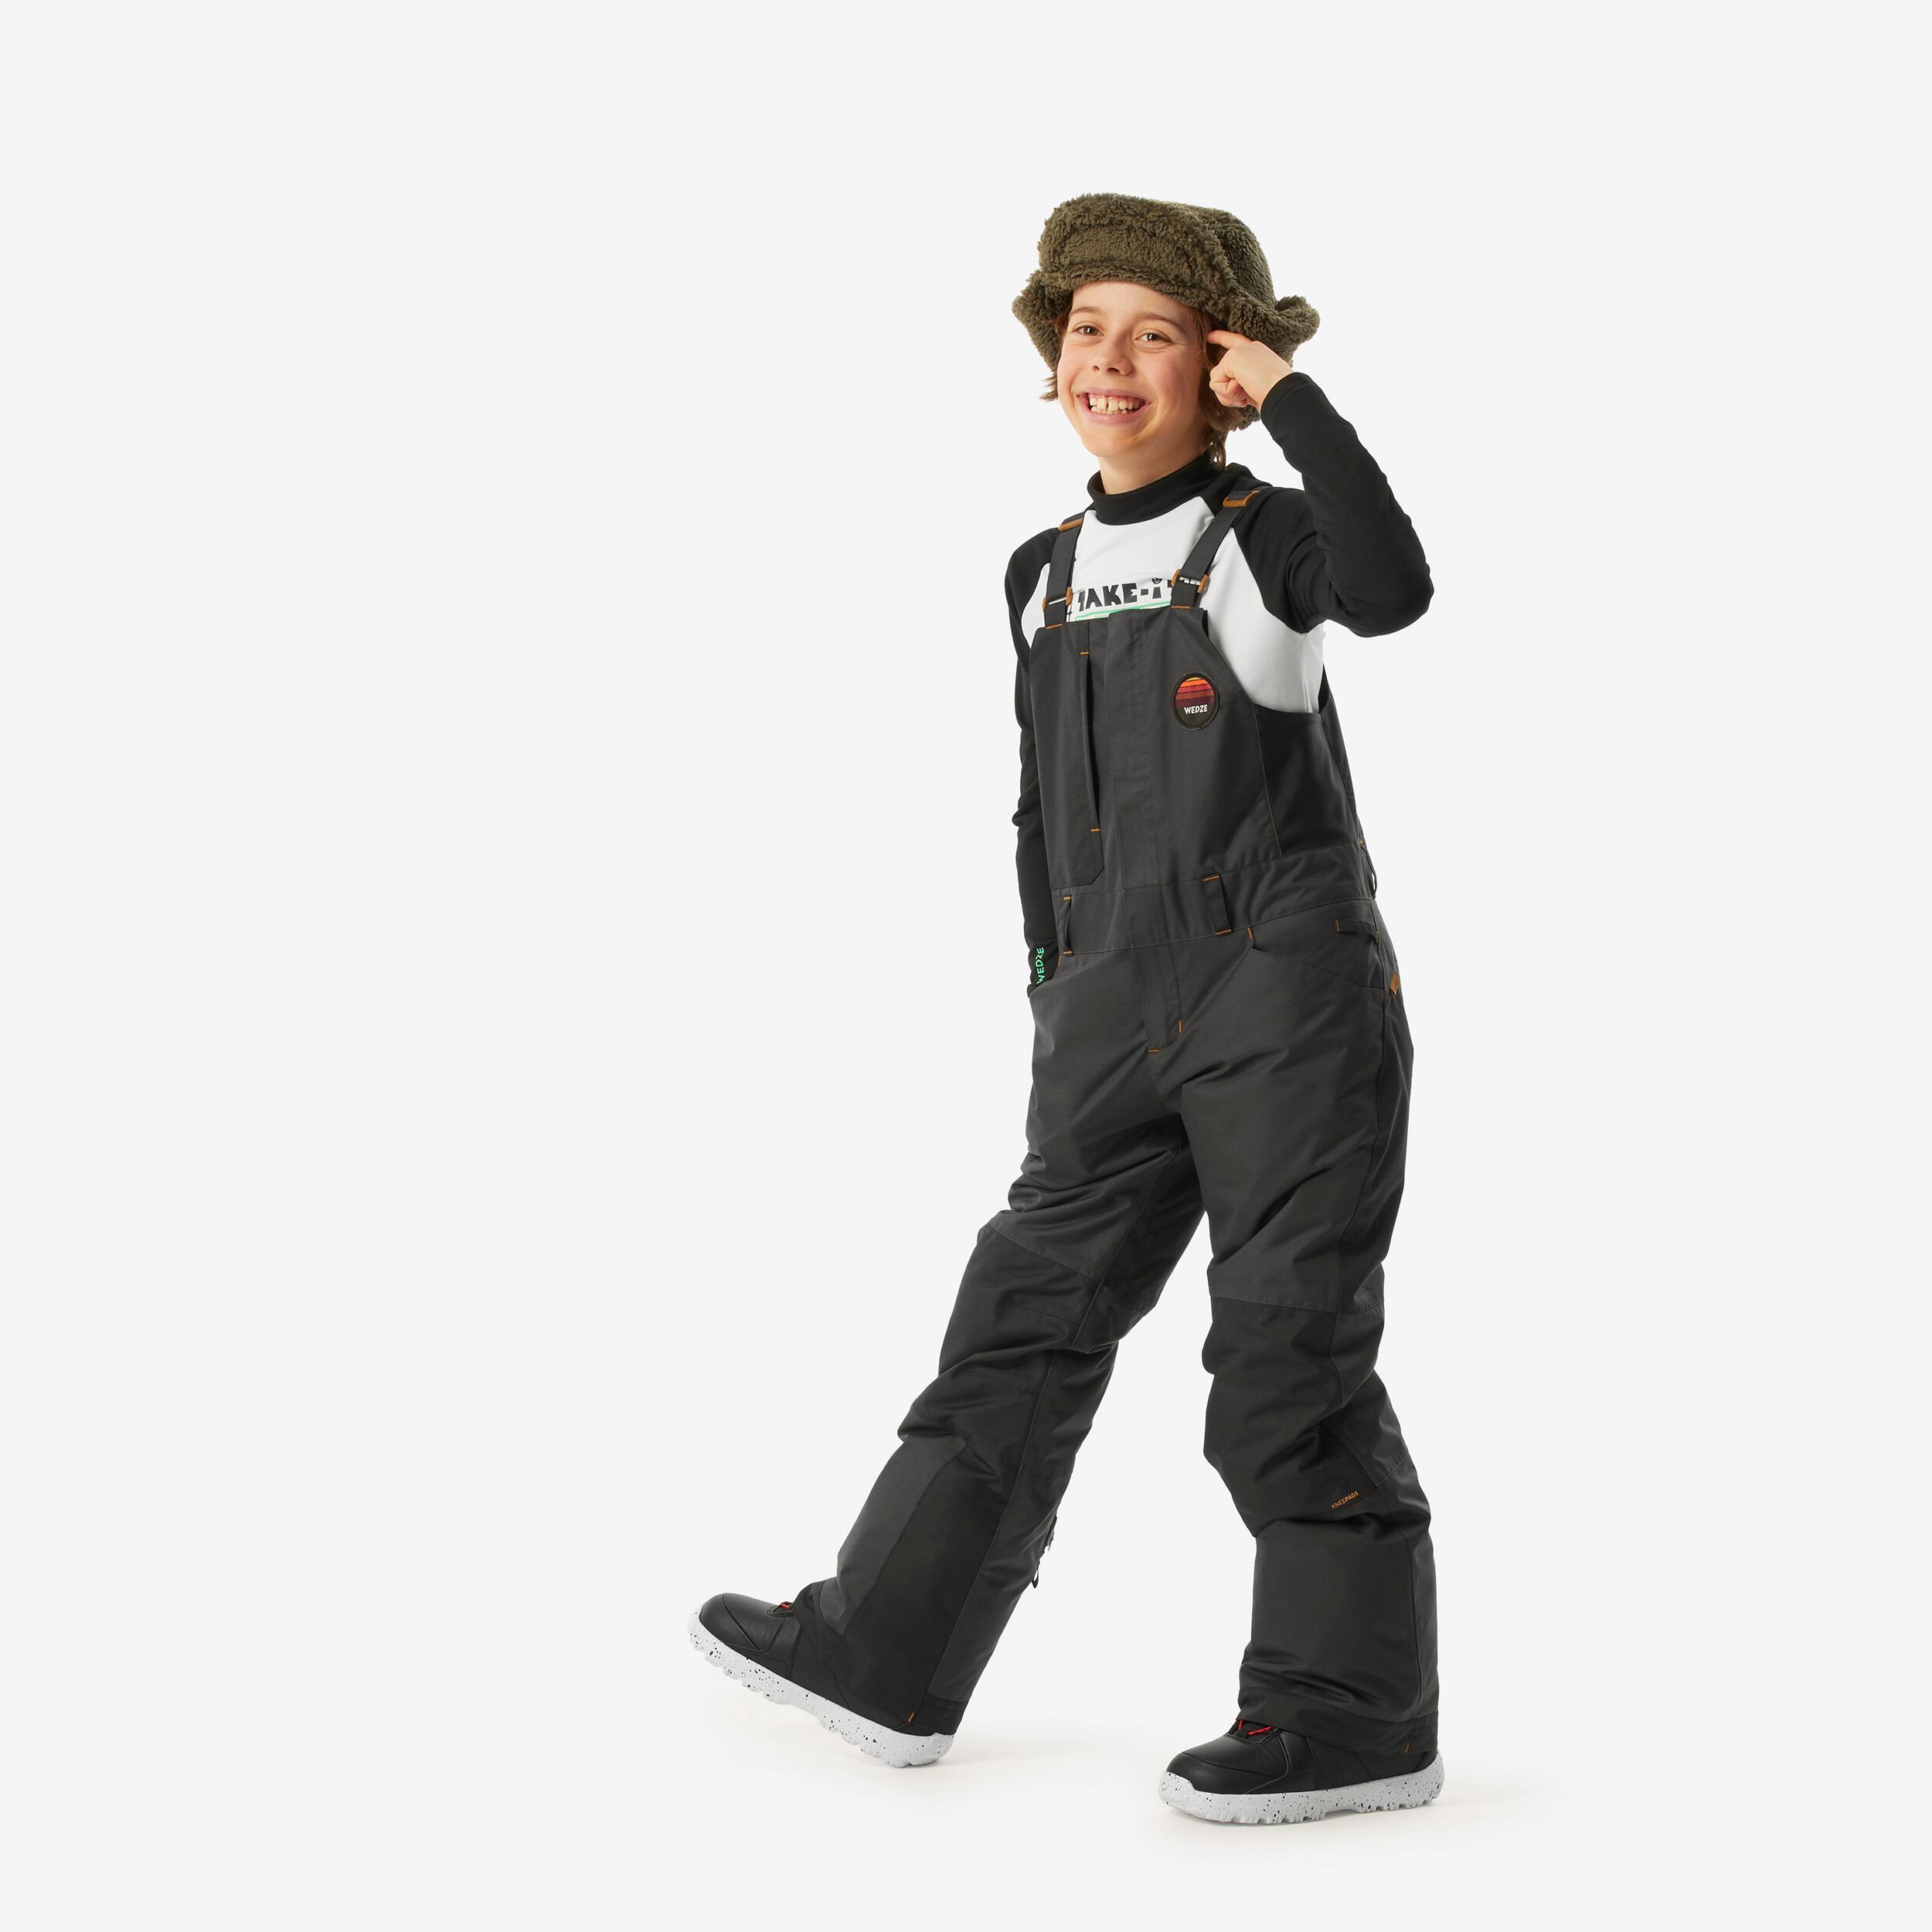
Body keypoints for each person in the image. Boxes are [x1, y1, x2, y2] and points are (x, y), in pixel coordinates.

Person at [689, 192, 1443, 1827]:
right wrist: (1056, 988)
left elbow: (1391, 589)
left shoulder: (1262, 538)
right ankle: (881, 1646)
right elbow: (1046, 807)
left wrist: (1292, 400)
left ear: (1216, 367)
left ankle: (1351, 1716)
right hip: (1103, 1018)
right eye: (1087, 327)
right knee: (1018, 1321)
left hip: (1283, 1007)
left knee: (1286, 1350)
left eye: (1157, 334)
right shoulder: (1039, 571)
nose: (1111, 360)